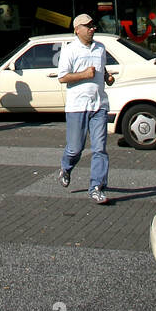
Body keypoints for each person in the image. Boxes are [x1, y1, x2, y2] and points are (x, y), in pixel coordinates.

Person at [57, 13, 115, 204]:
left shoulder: (100, 48)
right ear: (77, 29)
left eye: (93, 25)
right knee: (75, 149)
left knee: (100, 149)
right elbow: (63, 77)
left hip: (99, 105)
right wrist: (84, 74)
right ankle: (66, 167)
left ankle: (96, 187)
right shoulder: (69, 50)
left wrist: (107, 77)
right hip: (77, 106)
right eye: (87, 26)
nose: (92, 28)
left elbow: (102, 67)